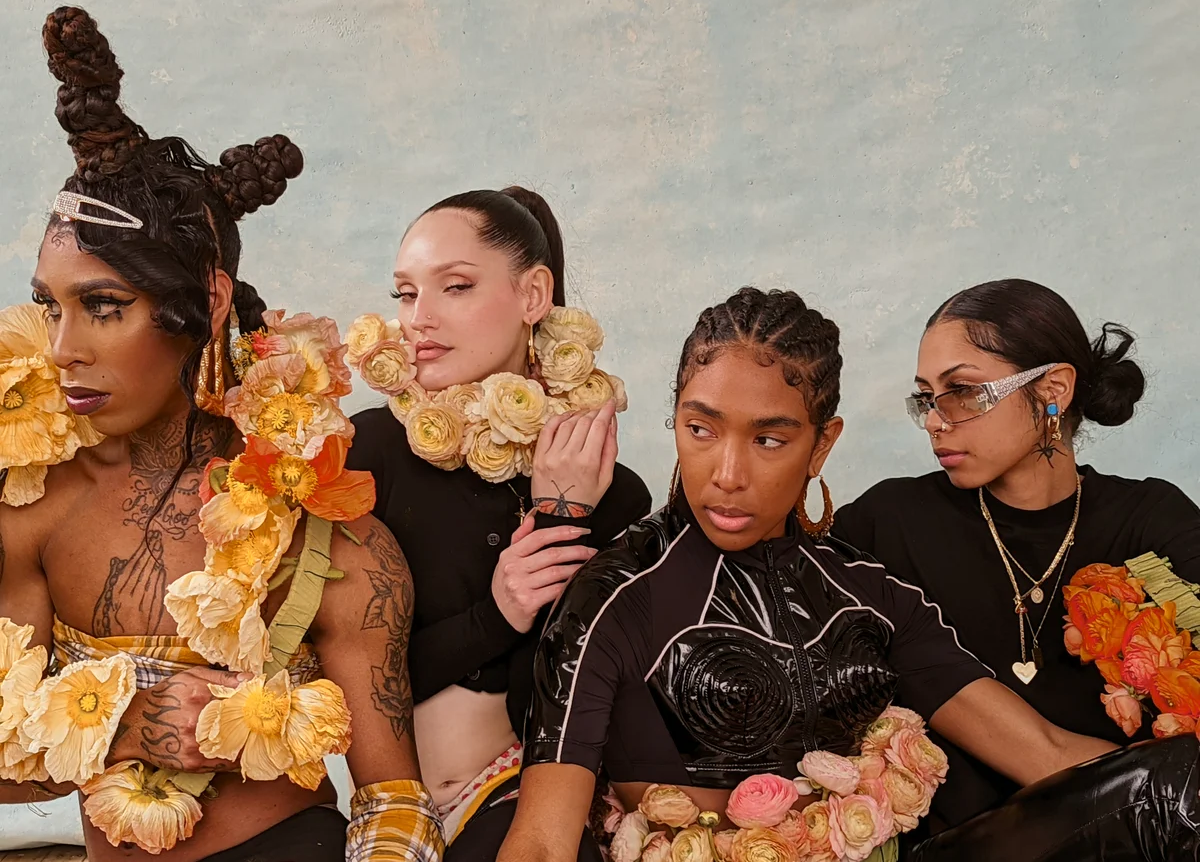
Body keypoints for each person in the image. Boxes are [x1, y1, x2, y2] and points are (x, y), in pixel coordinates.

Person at [497, 286, 1200, 862]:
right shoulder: (617, 595)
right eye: (700, 428)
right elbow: (539, 842)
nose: (727, 475)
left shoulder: (871, 589)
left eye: (769, 438)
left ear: (821, 445)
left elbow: (1047, 754)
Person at [0, 7, 440, 861]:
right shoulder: (32, 509)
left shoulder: (328, 532)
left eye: (103, 306)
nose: (62, 349)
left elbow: (394, 804)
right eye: (51, 305)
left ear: (204, 302)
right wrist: (127, 724)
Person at [346, 187, 652, 859]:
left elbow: (586, 695)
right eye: (404, 293)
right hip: (395, 811)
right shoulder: (369, 454)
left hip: (531, 799)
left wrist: (560, 512)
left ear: (533, 295)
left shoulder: (613, 490)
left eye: (454, 286)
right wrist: (496, 612)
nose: (418, 319)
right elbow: (347, 684)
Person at [832, 278, 1200, 827]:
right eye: (927, 398)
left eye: (962, 391)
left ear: (1053, 389)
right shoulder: (889, 523)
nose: (936, 420)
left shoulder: (1152, 522)